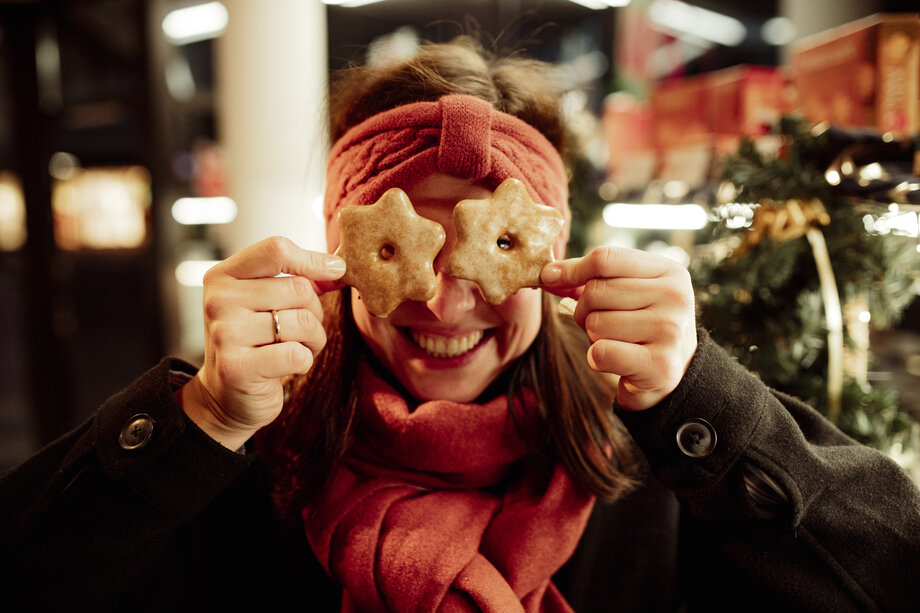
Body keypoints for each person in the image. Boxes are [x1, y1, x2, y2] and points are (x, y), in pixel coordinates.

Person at [2, 39, 919, 612]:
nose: (443, 300)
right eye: (407, 246)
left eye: (487, 245)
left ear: (547, 257)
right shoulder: (244, 465)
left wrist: (703, 401)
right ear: (344, 256)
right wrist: (197, 418)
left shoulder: (657, 471)